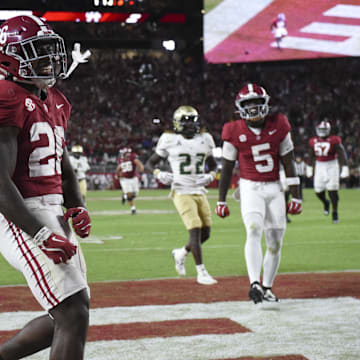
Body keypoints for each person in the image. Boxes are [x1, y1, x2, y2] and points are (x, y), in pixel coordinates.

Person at [0, 15, 91, 360]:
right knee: (72, 310)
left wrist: (77, 204)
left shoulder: (56, 99)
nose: (49, 60)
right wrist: (39, 233)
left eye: (51, 51)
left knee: (68, 313)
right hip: (18, 212)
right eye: (37, 52)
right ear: (9, 57)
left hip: (50, 210)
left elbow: (63, 165)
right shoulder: (6, 96)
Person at [215, 83, 302, 304]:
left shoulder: (279, 124)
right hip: (249, 186)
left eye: (257, 103)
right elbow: (226, 168)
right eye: (248, 104)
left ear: (266, 104)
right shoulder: (233, 130)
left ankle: (268, 287)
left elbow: (289, 162)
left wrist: (297, 195)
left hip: (274, 187)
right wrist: (221, 200)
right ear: (240, 107)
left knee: (275, 242)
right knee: (253, 229)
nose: (253, 109)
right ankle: (254, 283)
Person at [145, 105, 218, 285]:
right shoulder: (169, 139)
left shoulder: (206, 139)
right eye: (185, 122)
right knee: (194, 229)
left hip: (199, 191)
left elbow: (214, 165)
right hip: (181, 190)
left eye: (191, 122)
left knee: (206, 233)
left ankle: (181, 253)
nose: (189, 126)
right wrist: (158, 174)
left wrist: (210, 175)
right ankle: (201, 272)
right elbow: (149, 163)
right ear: (177, 123)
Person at [307, 120, 349, 223]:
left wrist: (344, 167)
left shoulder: (334, 140)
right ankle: (326, 202)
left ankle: (335, 212)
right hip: (319, 166)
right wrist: (309, 168)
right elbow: (311, 155)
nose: (322, 131)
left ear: (328, 130)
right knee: (318, 190)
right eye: (320, 129)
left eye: (324, 129)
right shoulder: (313, 141)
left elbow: (341, 153)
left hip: (332, 165)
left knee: (332, 190)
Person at [116, 147, 144, 215]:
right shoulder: (120, 159)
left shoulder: (132, 157)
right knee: (129, 194)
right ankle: (133, 209)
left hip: (133, 178)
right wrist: (119, 175)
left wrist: (141, 170)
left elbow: (138, 163)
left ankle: (124, 196)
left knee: (135, 194)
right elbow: (118, 168)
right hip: (124, 179)